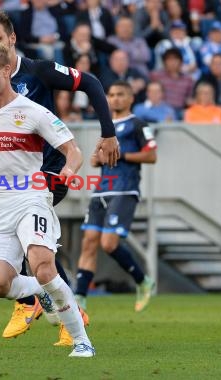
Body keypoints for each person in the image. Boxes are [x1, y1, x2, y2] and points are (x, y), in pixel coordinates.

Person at [0, 11, 118, 341]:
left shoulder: (40, 70)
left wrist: (108, 133)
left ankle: (36, 304)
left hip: (47, 171)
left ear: (13, 39)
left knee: (35, 251)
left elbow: (89, 83)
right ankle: (49, 302)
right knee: (28, 255)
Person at [0, 43, 94, 358]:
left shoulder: (33, 111)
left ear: (6, 71)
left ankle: (81, 340)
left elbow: (73, 150)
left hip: (30, 198)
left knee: (42, 264)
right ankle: (44, 291)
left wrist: (68, 170)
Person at [74, 80, 157, 319]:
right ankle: (80, 297)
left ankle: (143, 281)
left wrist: (122, 156)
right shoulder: (106, 127)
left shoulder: (138, 125)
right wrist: (97, 158)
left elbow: (151, 155)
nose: (115, 99)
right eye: (111, 94)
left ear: (131, 98)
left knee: (108, 243)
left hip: (125, 189)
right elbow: (93, 160)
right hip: (101, 190)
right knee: (89, 241)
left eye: (120, 94)